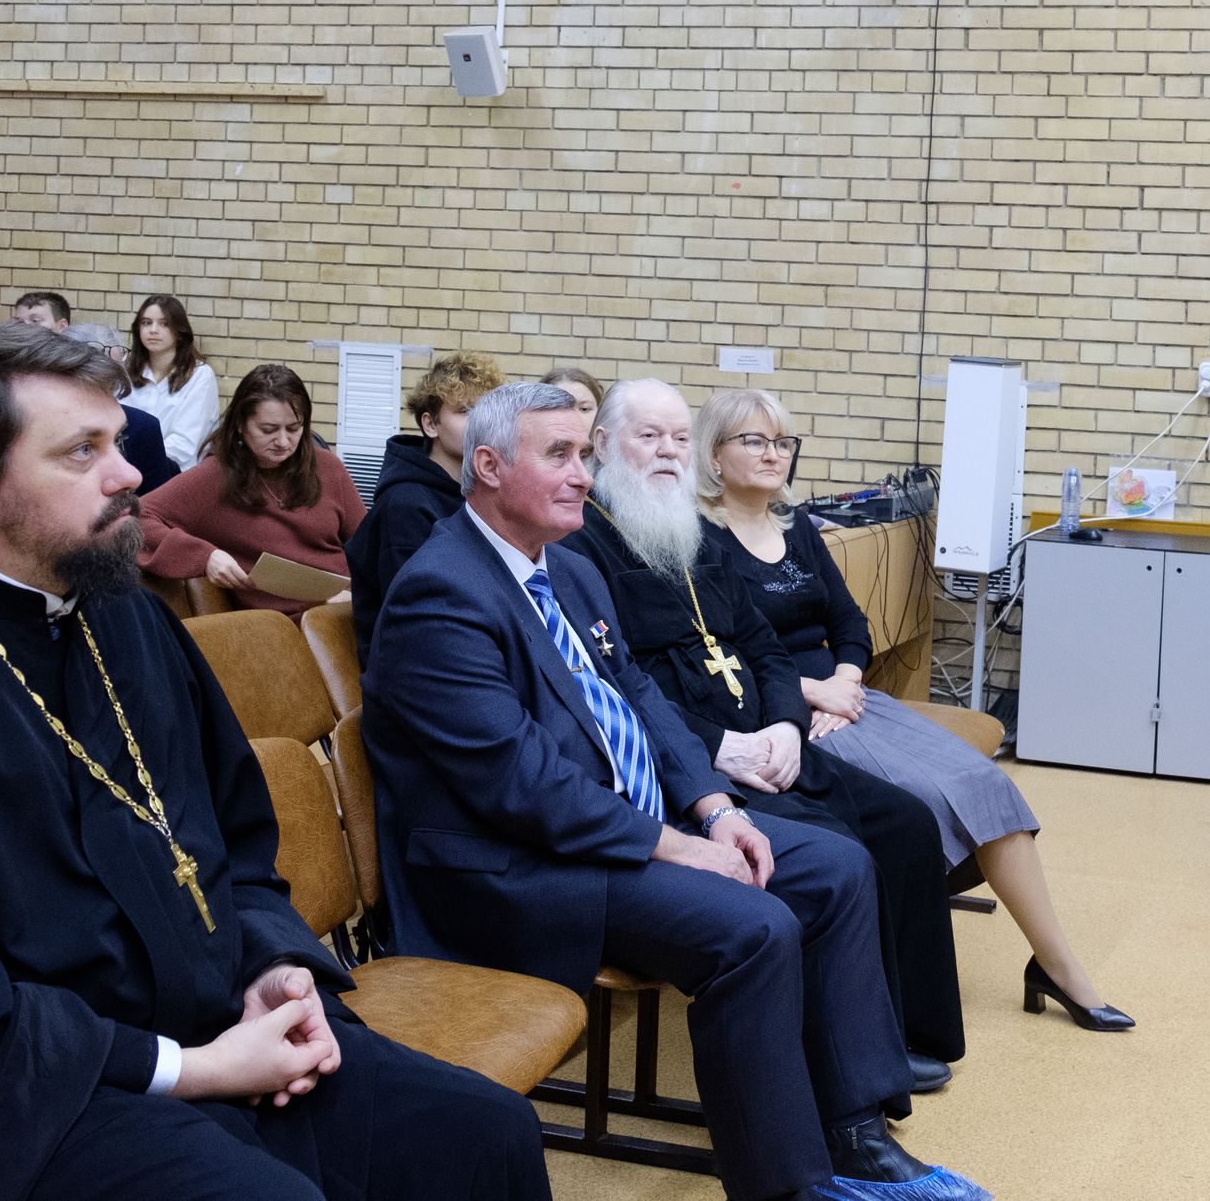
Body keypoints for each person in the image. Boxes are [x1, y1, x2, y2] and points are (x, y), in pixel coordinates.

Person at [0, 320, 549, 1201]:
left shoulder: (125, 614)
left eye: (118, 440)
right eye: (83, 451)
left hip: (220, 1018)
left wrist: (274, 966)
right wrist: (193, 1068)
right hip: (31, 1100)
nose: (129, 473)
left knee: (483, 1134)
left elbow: (234, 842)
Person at [362, 382, 989, 1201]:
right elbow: (524, 785)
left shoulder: (567, 570)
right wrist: (678, 847)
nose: (582, 473)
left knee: (836, 869)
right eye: (559, 454)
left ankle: (853, 1133)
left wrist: (714, 807)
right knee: (755, 925)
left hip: (618, 823)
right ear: (487, 465)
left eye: (583, 453)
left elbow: (642, 701)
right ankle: (787, 1185)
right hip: (515, 865)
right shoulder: (441, 591)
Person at [565, 379, 966, 1090]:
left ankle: (906, 1026)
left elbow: (762, 644)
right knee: (837, 849)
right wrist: (720, 748)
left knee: (905, 823)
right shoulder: (581, 544)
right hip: (697, 761)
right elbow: (618, 689)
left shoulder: (686, 528)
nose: (667, 451)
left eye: (678, 437)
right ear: (602, 444)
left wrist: (785, 722)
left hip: (768, 737)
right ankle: (854, 1046)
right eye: (648, 436)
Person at [698, 386, 1132, 1033]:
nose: (773, 454)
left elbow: (849, 621)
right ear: (714, 453)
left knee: (985, 783)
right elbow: (719, 655)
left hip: (846, 698)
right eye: (754, 441)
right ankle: (895, 975)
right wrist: (811, 693)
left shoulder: (797, 528)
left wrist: (846, 677)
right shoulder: (700, 543)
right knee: (921, 804)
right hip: (784, 714)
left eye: (783, 441)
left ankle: (1056, 964)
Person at [139, 364, 366, 619]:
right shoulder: (215, 476)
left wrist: (360, 595)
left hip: (348, 611)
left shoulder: (328, 466)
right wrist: (205, 557)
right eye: (268, 430)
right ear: (240, 425)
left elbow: (369, 546)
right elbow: (134, 519)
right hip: (283, 626)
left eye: (294, 428)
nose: (283, 441)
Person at [345, 350, 505, 665]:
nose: (480, 423)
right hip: (417, 666)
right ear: (430, 424)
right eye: (465, 411)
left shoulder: (481, 494)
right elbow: (419, 617)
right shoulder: (405, 504)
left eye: (486, 411)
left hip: (470, 647)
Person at [17, 299, 179, 495]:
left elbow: (157, 504)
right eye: (89, 378)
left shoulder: (143, 427)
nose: (101, 388)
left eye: (110, 379)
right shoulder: (36, 422)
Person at [123, 294, 220, 471]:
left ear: (179, 331)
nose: (153, 330)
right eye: (146, 323)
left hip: (176, 473)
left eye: (164, 324)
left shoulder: (200, 376)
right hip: (125, 468)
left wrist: (141, 462)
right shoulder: (126, 369)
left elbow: (185, 444)